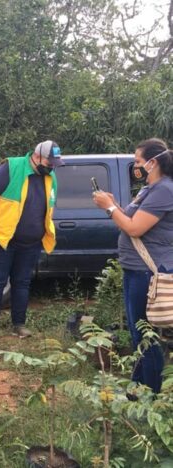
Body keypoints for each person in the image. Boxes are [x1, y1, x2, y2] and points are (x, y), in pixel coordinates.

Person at [93, 138, 173, 393]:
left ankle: (151, 394)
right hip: (134, 270)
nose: (135, 166)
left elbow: (134, 227)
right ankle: (136, 390)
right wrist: (114, 204)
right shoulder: (149, 188)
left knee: (145, 335)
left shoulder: (164, 189)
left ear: (153, 162)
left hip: (147, 273)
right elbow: (128, 217)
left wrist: (108, 209)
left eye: (138, 161)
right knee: (139, 333)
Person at [0, 140, 64, 340]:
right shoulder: (11, 167)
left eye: (54, 163)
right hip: (2, 239)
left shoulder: (50, 176)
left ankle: (19, 324)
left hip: (30, 243)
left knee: (22, 283)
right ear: (36, 157)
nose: (52, 166)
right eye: (49, 162)